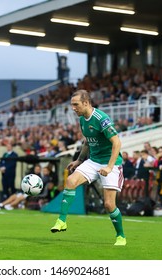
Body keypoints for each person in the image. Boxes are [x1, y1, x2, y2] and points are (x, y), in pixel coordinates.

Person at [50, 90, 126, 246]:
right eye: (72, 105)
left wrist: (110, 167)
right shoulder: (83, 119)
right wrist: (79, 160)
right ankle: (61, 221)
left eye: (75, 104)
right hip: (94, 160)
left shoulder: (101, 119)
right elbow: (87, 141)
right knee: (71, 181)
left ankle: (121, 236)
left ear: (86, 103)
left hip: (111, 163)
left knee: (109, 205)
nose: (73, 108)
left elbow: (117, 143)